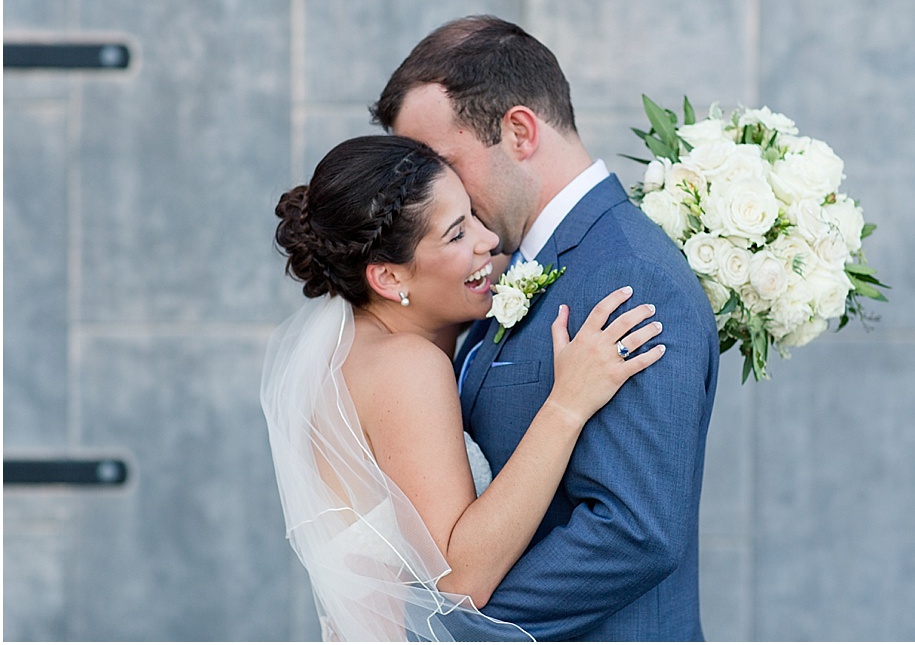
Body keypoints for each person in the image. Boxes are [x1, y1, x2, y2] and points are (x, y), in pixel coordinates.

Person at [371, 15, 720, 641]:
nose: (434, 193)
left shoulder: (631, 275)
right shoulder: (510, 268)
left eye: (442, 163)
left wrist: (455, 632)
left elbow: (634, 529)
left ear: (519, 131)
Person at [260, 134, 665, 641]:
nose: (488, 241)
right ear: (388, 277)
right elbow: (460, 582)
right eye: (456, 234)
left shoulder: (357, 348)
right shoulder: (405, 366)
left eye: (473, 214)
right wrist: (567, 404)